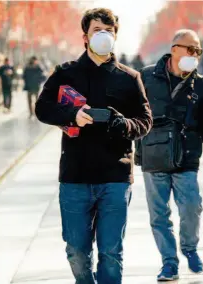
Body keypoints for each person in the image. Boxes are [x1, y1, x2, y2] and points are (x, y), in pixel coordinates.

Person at [35, 8, 152, 284]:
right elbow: (42, 108)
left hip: (116, 177)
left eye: (109, 31)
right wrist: (71, 115)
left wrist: (124, 124)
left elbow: (145, 121)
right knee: (77, 251)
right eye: (97, 30)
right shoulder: (66, 74)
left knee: (111, 252)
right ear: (85, 37)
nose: (104, 36)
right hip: (76, 176)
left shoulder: (129, 77)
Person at [136, 29, 203, 281]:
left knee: (192, 206)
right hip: (153, 156)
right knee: (159, 214)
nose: (194, 55)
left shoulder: (202, 86)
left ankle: (190, 248)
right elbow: (136, 115)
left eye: (198, 51)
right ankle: (169, 262)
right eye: (190, 49)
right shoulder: (146, 77)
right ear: (174, 49)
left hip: (186, 158)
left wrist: (190, 141)